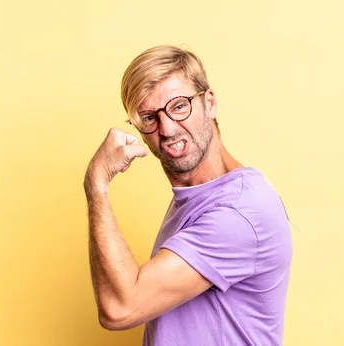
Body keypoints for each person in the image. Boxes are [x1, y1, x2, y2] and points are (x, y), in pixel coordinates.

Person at [84, 45, 293, 345]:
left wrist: (97, 183)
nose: (167, 129)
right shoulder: (198, 195)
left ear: (210, 103)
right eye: (148, 117)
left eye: (179, 106)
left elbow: (120, 309)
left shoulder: (238, 213)